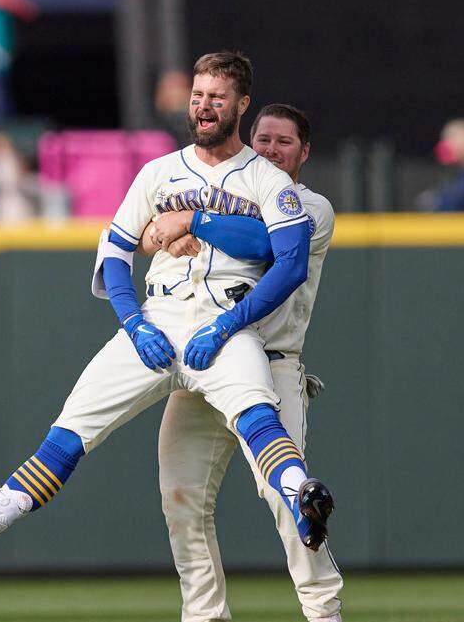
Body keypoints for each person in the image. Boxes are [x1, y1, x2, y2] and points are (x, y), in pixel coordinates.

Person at [0, 51, 335, 579]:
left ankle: (302, 495)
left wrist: (218, 301)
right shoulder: (160, 171)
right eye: (197, 97)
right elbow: (115, 254)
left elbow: (285, 259)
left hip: (230, 320)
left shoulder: (269, 180)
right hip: (160, 316)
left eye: (217, 98)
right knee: (70, 432)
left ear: (241, 104)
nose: (205, 107)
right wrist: (133, 322)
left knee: (259, 418)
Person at [142, 104, 344, 622]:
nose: (272, 149)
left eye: (284, 142)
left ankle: (324, 613)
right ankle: (205, 616)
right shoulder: (226, 195)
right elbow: (148, 235)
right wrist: (175, 228)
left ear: (304, 152)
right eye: (263, 139)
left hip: (272, 365)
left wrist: (195, 223)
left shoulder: (311, 207)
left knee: (291, 501)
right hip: (203, 366)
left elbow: (271, 252)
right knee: (180, 500)